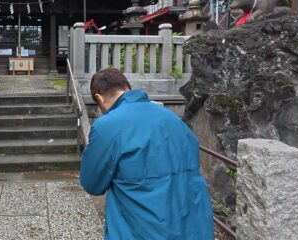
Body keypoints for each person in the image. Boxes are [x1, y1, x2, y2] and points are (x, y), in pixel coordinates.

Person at [80, 68, 213, 239]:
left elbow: (92, 183)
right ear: (127, 86)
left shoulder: (107, 126)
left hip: (141, 227)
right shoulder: (172, 118)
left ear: (99, 98)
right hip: (191, 222)